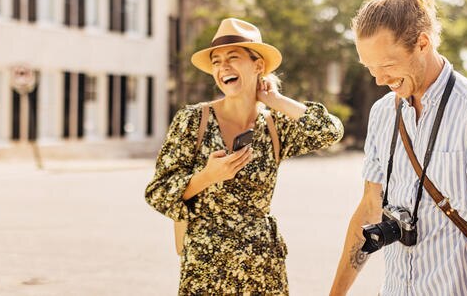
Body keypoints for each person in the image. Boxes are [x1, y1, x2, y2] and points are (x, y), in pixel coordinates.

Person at [330, 0, 467, 296]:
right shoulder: (383, 113)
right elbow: (369, 208)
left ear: (423, 43)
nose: (380, 79)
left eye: (388, 65)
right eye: (369, 68)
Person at [145, 17, 343, 295]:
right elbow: (157, 192)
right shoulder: (192, 121)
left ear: (257, 65)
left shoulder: (275, 126)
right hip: (205, 272)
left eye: (233, 57)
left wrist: (275, 101)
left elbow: (330, 130)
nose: (223, 67)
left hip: (263, 270)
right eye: (216, 61)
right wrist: (207, 177)